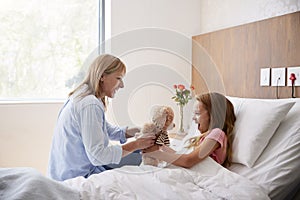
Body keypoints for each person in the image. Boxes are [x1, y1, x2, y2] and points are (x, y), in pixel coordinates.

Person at [47, 54, 155, 181]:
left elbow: (106, 130)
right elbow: (98, 156)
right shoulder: (89, 104)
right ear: (102, 76)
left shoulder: (82, 95)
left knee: (139, 153)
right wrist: (136, 144)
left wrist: (138, 131)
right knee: (144, 161)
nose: (122, 85)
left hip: (63, 172)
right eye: (118, 78)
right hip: (78, 176)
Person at [143, 92, 236, 168]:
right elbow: (181, 156)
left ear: (214, 116)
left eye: (197, 113)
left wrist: (156, 154)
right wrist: (161, 147)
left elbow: (188, 161)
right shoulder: (205, 136)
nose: (193, 119)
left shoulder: (217, 133)